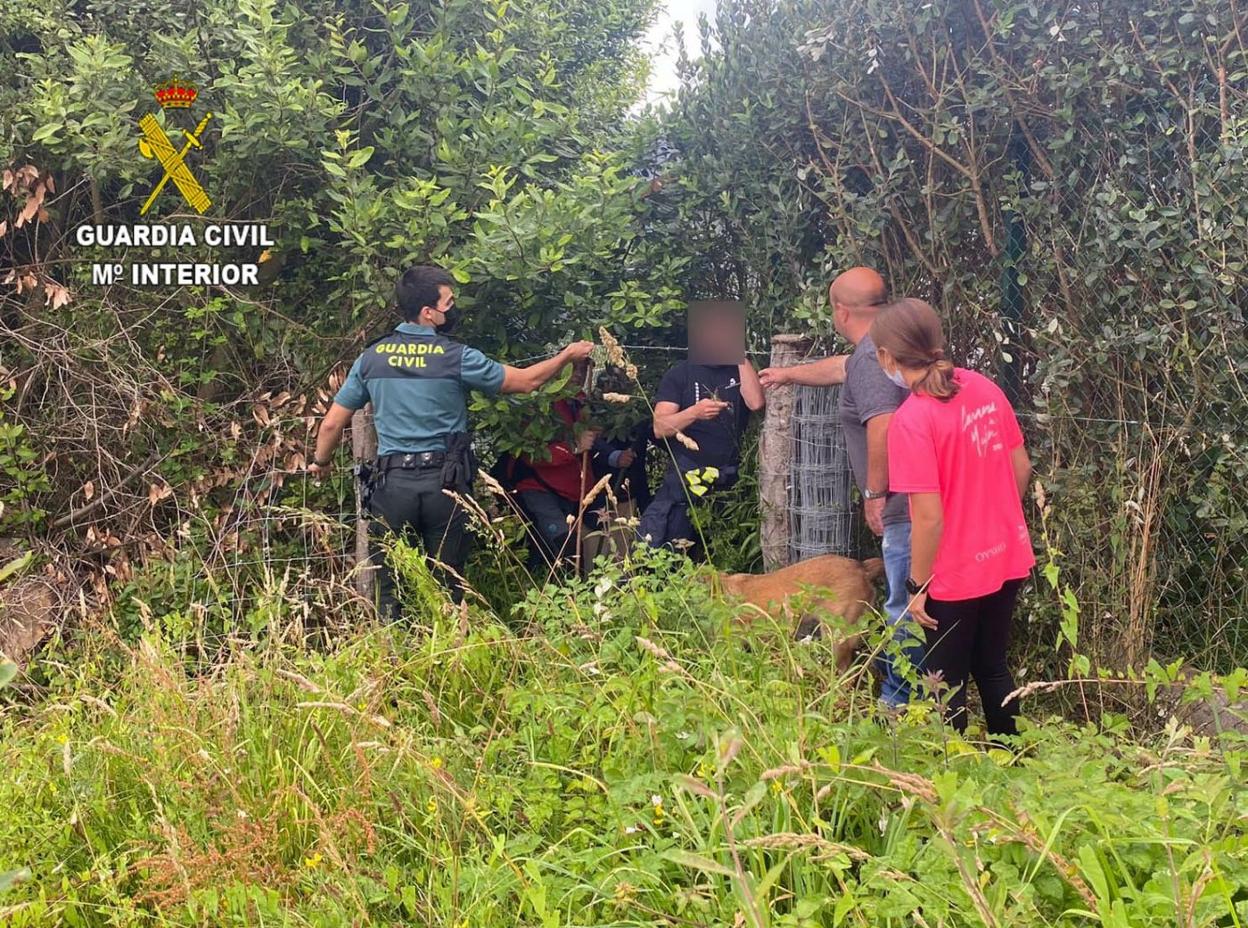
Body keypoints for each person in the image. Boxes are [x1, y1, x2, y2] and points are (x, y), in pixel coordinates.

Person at [308, 264, 594, 620]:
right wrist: (566, 356)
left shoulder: (372, 358)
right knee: (449, 585)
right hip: (445, 486)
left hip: (391, 486)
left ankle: (392, 656)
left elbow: (333, 422)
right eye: (448, 301)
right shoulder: (455, 357)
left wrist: (321, 462)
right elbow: (525, 382)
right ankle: (450, 652)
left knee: (389, 590)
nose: (453, 307)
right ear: (428, 312)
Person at [871, 297, 1035, 738]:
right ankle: (1012, 756)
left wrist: (916, 586)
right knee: (993, 666)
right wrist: (994, 519)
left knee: (945, 683)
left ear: (887, 357)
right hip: (1006, 555)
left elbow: (928, 518)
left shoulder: (911, 420)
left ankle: (954, 776)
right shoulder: (983, 386)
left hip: (954, 572)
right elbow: (1021, 468)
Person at [759, 267, 921, 707]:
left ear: (841, 311)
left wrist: (875, 493)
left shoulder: (871, 357)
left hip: (906, 504)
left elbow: (883, 423)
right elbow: (841, 368)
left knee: (905, 606)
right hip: (927, 499)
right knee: (914, 600)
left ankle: (898, 707)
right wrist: (787, 375)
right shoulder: (888, 347)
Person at [639, 334, 765, 556]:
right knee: (671, 550)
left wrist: (740, 356)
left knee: (723, 554)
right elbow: (660, 427)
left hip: (731, 481)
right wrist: (695, 413)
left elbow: (755, 403)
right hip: (687, 478)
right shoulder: (680, 373)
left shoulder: (739, 370)